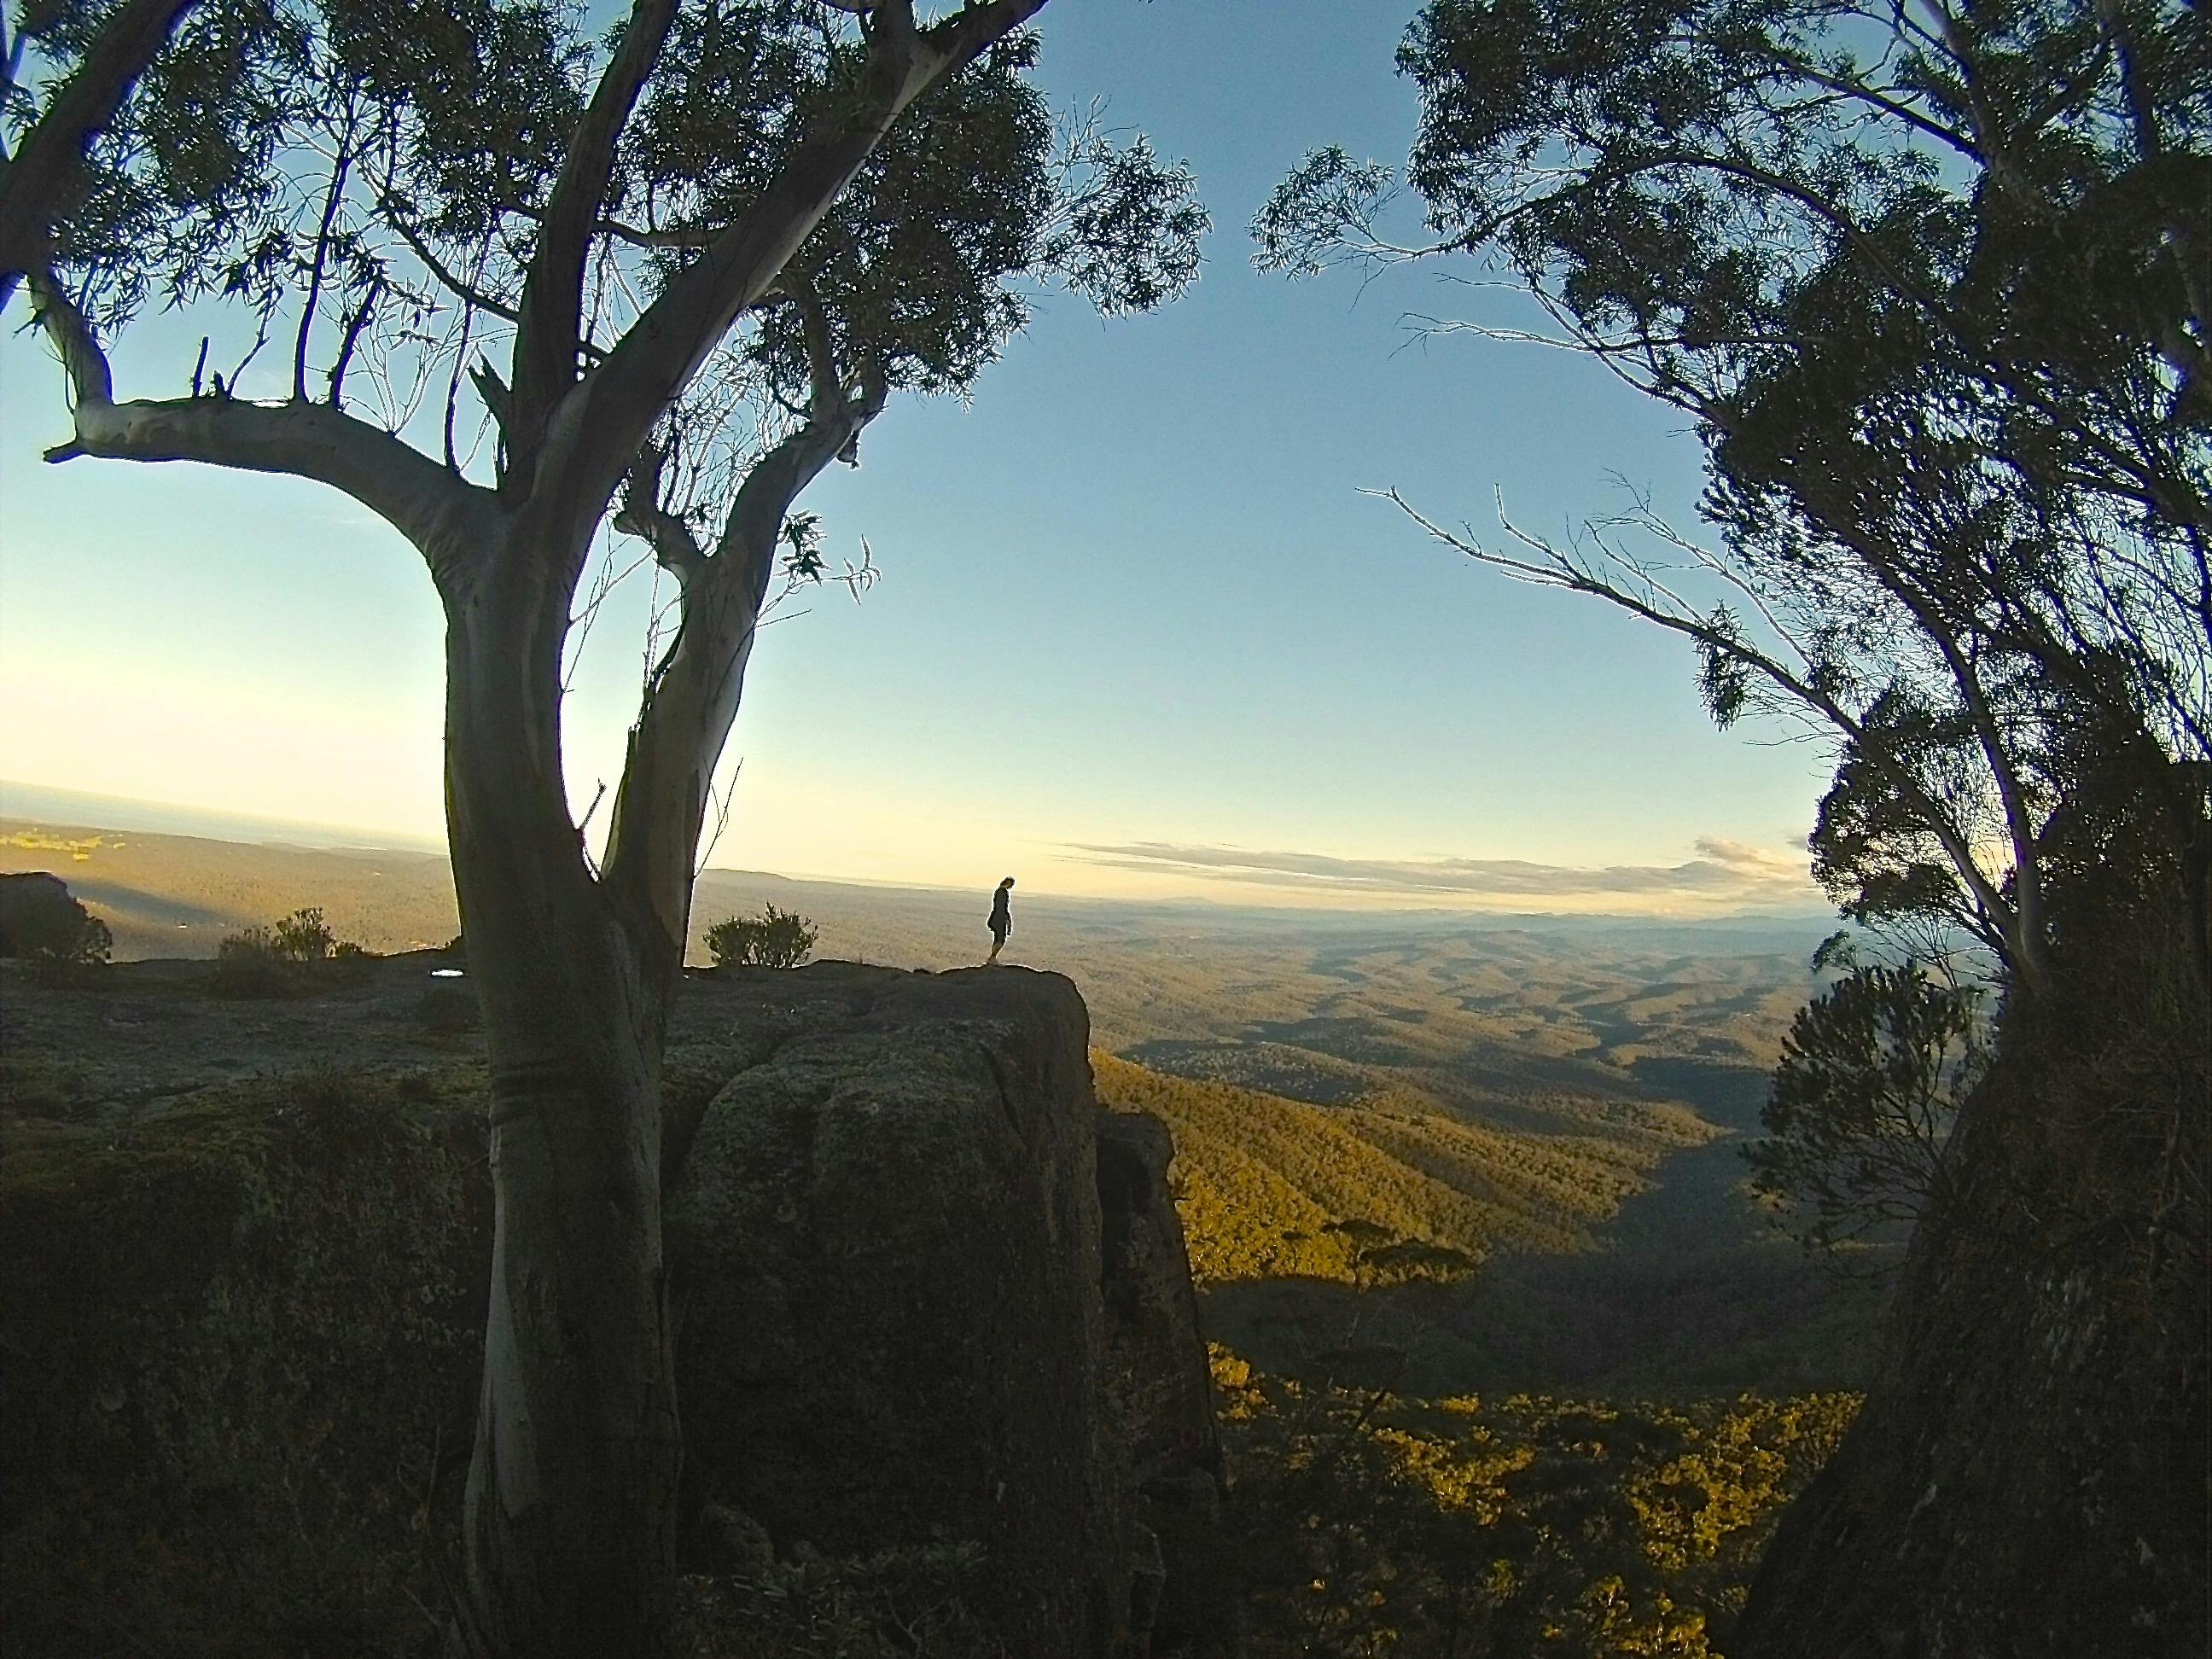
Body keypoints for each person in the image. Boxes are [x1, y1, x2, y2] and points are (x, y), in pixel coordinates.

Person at [986, 876, 1015, 963]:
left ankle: (992, 957)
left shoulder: (998, 891)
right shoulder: (1003, 892)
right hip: (1000, 917)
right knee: (1001, 939)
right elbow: (1003, 907)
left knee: (997, 938)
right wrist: (1007, 919)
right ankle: (992, 957)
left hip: (995, 916)